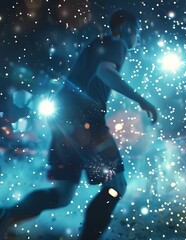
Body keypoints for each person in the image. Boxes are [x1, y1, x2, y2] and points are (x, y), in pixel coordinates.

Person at [0, 10, 157, 239]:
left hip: (63, 121)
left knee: (62, 195)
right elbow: (105, 72)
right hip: (85, 121)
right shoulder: (116, 42)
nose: (139, 38)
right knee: (116, 185)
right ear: (127, 29)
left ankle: (5, 216)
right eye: (138, 32)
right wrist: (141, 100)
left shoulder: (98, 44)